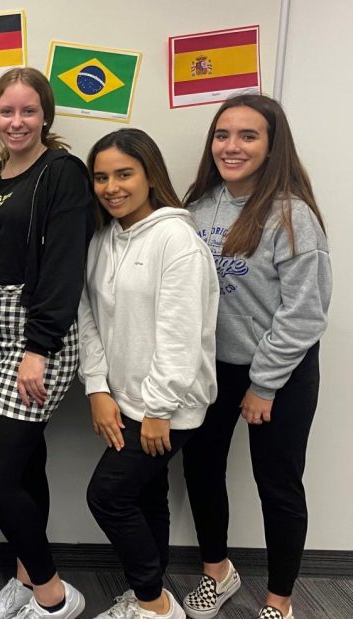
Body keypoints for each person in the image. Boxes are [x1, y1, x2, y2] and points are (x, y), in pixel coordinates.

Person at [180, 94, 331, 619]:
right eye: (223, 135)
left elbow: (305, 313)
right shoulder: (197, 207)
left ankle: (280, 601)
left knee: (278, 485)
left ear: (272, 146)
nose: (232, 146)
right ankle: (217, 571)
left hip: (280, 371)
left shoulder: (292, 215)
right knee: (200, 470)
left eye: (248, 136)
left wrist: (264, 384)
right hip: (212, 368)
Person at [0, 67, 95, 619]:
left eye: (28, 111)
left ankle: (53, 594)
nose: (16, 122)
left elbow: (66, 264)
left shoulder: (62, 172)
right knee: (23, 467)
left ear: (47, 115)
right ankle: (23, 576)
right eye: (6, 111)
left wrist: (38, 347)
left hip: (40, 332)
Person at [78, 129, 219, 619]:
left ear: (149, 175)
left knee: (108, 496)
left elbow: (181, 334)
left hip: (167, 406)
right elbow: (88, 317)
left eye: (124, 174)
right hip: (123, 400)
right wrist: (96, 387)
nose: (111, 186)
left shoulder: (177, 240)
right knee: (144, 495)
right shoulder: (102, 239)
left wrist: (158, 411)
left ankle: (153, 605)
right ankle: (151, 592)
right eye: (101, 177)